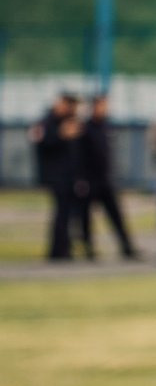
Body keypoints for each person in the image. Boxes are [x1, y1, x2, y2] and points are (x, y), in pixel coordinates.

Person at [79, 95, 140, 261]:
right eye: (102, 106)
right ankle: (88, 249)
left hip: (106, 179)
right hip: (90, 180)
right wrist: (81, 179)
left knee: (116, 215)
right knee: (86, 217)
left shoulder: (106, 127)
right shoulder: (85, 128)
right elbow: (79, 156)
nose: (105, 109)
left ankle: (126, 247)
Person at [28, 93, 85, 262]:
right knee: (61, 213)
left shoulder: (70, 122)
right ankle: (57, 251)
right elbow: (42, 144)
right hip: (56, 176)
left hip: (69, 176)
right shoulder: (46, 123)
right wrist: (61, 136)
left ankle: (64, 248)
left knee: (67, 214)